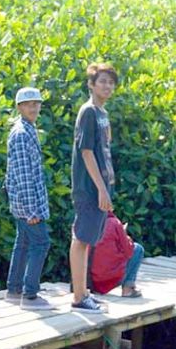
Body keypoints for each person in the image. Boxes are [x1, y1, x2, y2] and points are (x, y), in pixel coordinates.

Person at [70, 63, 118, 313]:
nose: (107, 86)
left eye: (110, 82)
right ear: (91, 84)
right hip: (89, 187)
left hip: (102, 185)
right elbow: (86, 153)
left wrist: (108, 186)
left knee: (88, 239)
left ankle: (84, 292)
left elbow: (104, 150)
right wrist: (100, 189)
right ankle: (78, 297)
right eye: (102, 81)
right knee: (81, 238)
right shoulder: (88, 112)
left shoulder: (102, 113)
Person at [4, 87, 54, 310]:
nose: (34, 107)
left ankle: (14, 290)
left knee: (22, 244)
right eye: (29, 104)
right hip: (28, 205)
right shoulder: (23, 135)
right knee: (41, 243)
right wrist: (32, 210)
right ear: (19, 107)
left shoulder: (26, 129)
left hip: (23, 204)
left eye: (37, 103)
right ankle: (30, 295)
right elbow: (24, 176)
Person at [89, 212, 144, 298]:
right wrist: (124, 234)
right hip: (109, 279)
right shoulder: (114, 223)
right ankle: (128, 289)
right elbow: (129, 250)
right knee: (138, 249)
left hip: (91, 281)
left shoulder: (86, 223)